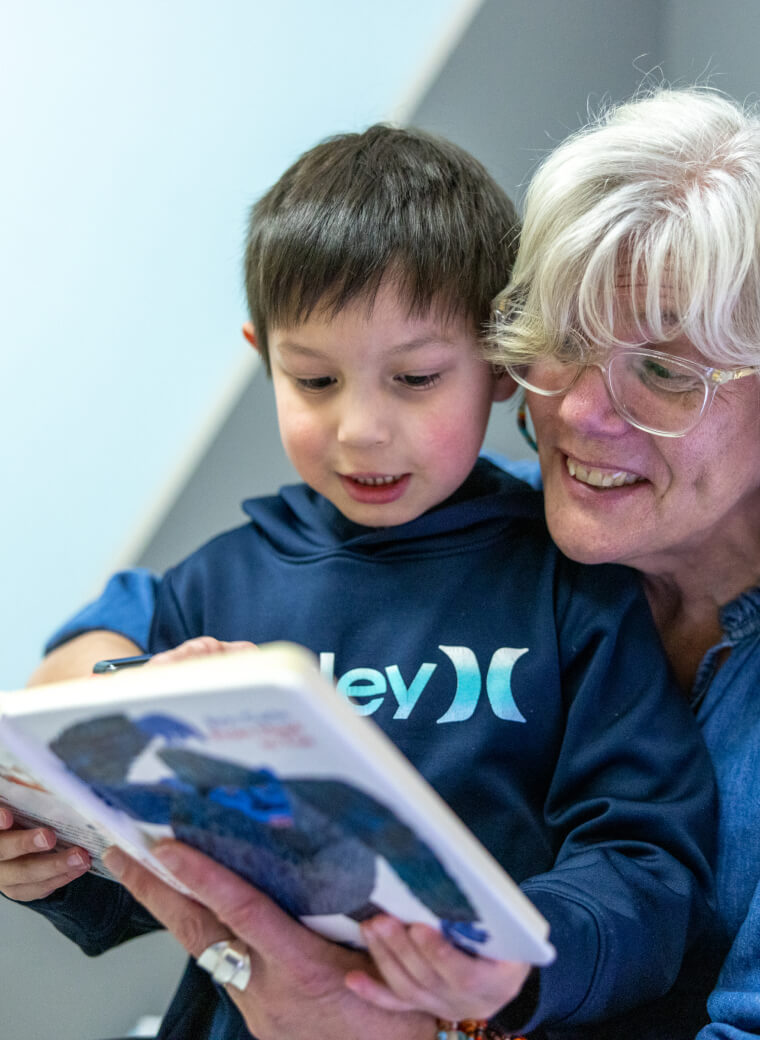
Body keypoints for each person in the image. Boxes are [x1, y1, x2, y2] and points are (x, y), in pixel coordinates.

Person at [6, 123, 716, 1040]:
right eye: (314, 379)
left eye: (415, 377)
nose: (361, 430)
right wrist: (50, 858)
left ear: (500, 365)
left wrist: (518, 964)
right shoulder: (218, 583)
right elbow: (154, 873)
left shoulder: (571, 586)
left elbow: (646, 863)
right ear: (263, 354)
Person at [485, 85, 760, 1040]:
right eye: (564, 340)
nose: (580, 413)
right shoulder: (479, 524)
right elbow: (180, 604)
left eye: (667, 370)